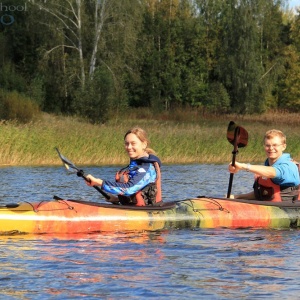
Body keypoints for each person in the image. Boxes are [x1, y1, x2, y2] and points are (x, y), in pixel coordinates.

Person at [85, 127, 162, 206]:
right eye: (126, 143)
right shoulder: (133, 166)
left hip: (147, 211)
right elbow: (136, 191)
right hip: (132, 208)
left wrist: (99, 182)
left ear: (144, 144)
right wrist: (117, 199)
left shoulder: (147, 167)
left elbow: (129, 188)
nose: (129, 147)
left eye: (133, 143)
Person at [228, 129, 300, 202]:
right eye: (267, 145)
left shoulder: (289, 166)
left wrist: (244, 166)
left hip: (287, 211)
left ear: (284, 147)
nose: (271, 148)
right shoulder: (267, 166)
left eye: (275, 145)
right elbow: (262, 193)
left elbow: (273, 172)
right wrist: (237, 197)